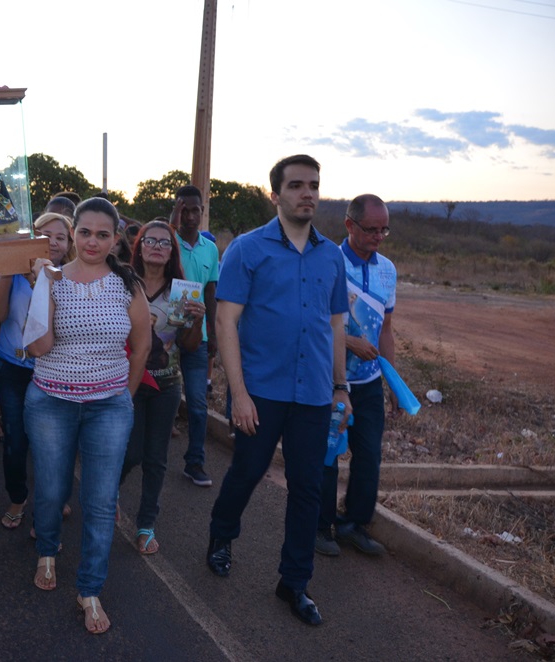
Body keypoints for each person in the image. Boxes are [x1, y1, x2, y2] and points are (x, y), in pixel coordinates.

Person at [206, 155, 350, 627]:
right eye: (296, 186)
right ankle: (221, 535)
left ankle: (294, 583)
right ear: (275, 195)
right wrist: (239, 393)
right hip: (261, 391)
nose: (307, 193)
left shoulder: (332, 255)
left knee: (308, 489)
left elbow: (335, 324)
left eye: (313, 185)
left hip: (313, 395)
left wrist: (341, 387)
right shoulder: (247, 250)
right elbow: (226, 321)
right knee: (246, 472)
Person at [24, 197, 150, 635]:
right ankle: (47, 549)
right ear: (72, 233)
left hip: (109, 404)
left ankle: (90, 589)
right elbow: (38, 348)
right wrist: (42, 287)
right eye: (84, 232)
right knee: (52, 487)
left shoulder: (127, 283)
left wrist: (125, 396)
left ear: (116, 238)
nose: (92, 241)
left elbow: (143, 342)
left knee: (100, 501)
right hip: (51, 399)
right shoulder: (51, 278)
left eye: (102, 234)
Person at [0, 212, 76, 530]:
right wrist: (9, 272)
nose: (51, 242)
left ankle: (49, 507)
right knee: (16, 441)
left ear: (68, 245)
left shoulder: (72, 278)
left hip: (54, 371)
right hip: (12, 369)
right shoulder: (10, 274)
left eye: (59, 237)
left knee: (54, 445)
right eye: (43, 235)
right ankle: (18, 497)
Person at [317, 194, 397, 557]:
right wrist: (348, 341)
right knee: (328, 453)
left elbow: (387, 329)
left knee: (368, 455)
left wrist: (390, 378)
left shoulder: (387, 270)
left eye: (384, 230)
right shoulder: (326, 262)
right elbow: (314, 321)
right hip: (329, 379)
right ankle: (320, 527)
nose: (378, 236)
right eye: (370, 229)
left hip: (367, 383)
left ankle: (354, 523)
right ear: (349, 225)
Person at [119, 220, 203, 555]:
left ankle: (146, 524)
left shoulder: (182, 291)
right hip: (128, 380)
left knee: (156, 458)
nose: (156, 246)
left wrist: (197, 320)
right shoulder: (123, 282)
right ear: (138, 246)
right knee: (131, 451)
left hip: (167, 383)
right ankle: (109, 495)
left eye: (164, 243)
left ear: (172, 251)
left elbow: (190, 345)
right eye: (149, 240)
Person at [170, 185, 219, 487]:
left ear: (203, 211)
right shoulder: (167, 242)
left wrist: (212, 332)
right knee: (159, 399)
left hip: (197, 337)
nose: (190, 216)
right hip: (165, 334)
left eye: (195, 209)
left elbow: (211, 292)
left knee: (198, 404)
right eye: (183, 209)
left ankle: (195, 462)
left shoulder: (210, 249)